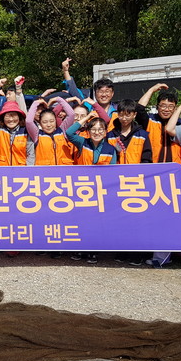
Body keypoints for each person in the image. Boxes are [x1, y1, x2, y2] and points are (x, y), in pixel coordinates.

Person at [66, 112, 117, 265]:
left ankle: (93, 251)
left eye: (100, 129)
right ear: (88, 131)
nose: (97, 132)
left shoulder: (110, 149)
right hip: (81, 190)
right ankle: (79, 248)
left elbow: (113, 172)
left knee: (96, 222)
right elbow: (69, 132)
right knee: (80, 221)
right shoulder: (82, 142)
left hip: (99, 192)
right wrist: (87, 117)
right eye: (93, 129)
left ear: (105, 132)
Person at [135, 84, 181, 163]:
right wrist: (152, 90)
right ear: (157, 107)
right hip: (153, 165)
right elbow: (139, 108)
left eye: (171, 106)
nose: (167, 109)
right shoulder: (150, 120)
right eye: (163, 106)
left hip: (175, 166)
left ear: (175, 108)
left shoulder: (180, 123)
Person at [25, 92, 76, 166]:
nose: (49, 125)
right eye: (45, 122)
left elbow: (71, 114)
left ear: (56, 121)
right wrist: (36, 102)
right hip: (45, 171)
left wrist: (59, 99)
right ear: (40, 123)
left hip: (64, 169)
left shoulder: (62, 131)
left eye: (51, 121)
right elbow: (29, 121)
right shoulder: (37, 135)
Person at [106, 99, 152, 164]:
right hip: (117, 170)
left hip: (137, 170)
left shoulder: (142, 135)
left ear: (134, 115)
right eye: (121, 115)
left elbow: (147, 157)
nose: (124, 118)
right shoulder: (111, 136)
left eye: (127, 115)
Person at [0, 102, 34, 166]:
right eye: (7, 116)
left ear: (19, 117)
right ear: (3, 118)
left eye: (14, 115)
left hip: (20, 170)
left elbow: (31, 154)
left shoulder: (26, 132)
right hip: (1, 169)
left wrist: (27, 170)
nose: (11, 119)